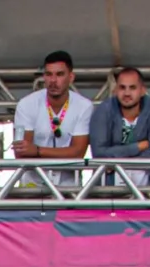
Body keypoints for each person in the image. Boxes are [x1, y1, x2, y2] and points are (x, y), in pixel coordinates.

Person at [9, 50, 91, 182]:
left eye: (59, 74)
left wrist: (37, 150)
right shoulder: (26, 104)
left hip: (69, 184)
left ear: (71, 77)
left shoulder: (84, 106)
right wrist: (64, 154)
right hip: (32, 183)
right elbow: (21, 153)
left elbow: (78, 153)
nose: (53, 80)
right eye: (48, 74)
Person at [88, 65, 150, 184]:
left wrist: (114, 161)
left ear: (142, 91)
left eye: (132, 88)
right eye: (122, 87)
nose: (127, 93)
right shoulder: (103, 110)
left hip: (149, 190)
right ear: (115, 90)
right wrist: (138, 147)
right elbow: (99, 154)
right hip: (107, 189)